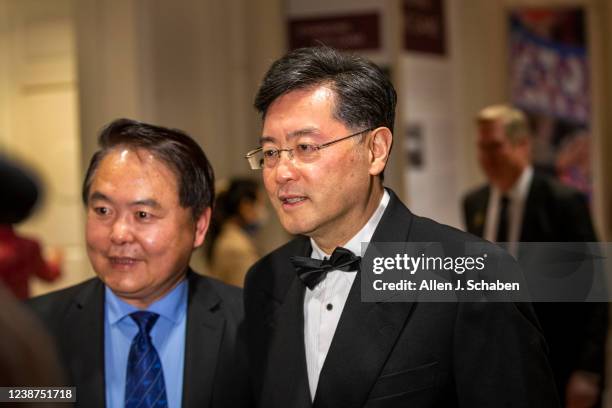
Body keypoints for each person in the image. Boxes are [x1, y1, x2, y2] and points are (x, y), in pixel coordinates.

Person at [243, 46, 559, 408]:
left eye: (305, 147)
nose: (282, 172)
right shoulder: (265, 279)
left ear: (375, 150)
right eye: (270, 152)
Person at [28, 119, 250, 408]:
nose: (118, 233)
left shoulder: (253, 325)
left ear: (199, 226)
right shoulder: (32, 332)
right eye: (103, 210)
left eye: (143, 215)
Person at [463, 104, 608, 407]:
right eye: (481, 147)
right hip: (498, 364)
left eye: (495, 146)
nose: (486, 157)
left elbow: (595, 287)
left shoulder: (563, 203)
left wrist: (589, 371)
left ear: (522, 145)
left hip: (558, 359)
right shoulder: (474, 203)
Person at [205, 178, 264, 287]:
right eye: (259, 204)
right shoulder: (236, 247)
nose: (261, 210)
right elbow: (245, 295)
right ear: (245, 206)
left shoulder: (231, 238)